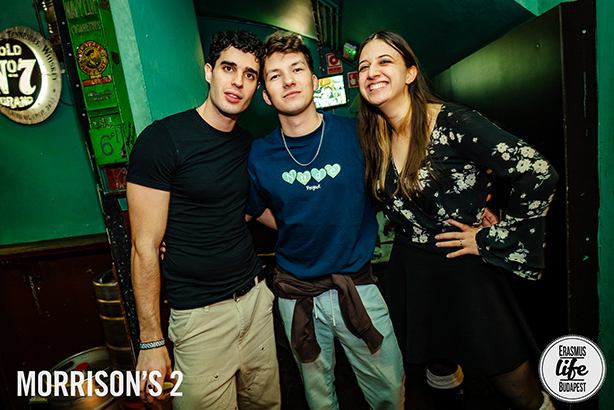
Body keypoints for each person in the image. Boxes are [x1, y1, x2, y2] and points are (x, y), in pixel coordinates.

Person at [356, 30, 558, 410]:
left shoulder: (451, 121)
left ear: (410, 73)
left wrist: (491, 236)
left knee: (514, 383)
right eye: (364, 66)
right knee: (437, 364)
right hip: (411, 269)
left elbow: (537, 172)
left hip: (464, 268)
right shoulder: (375, 134)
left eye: (385, 61)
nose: (372, 72)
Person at [246, 31, 405, 409]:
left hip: (358, 286)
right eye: (275, 75)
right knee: (319, 398)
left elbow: (403, 175)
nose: (288, 80)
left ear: (315, 81)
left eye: (297, 69)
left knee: (391, 390)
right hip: (297, 293)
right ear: (266, 95)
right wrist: (291, 224)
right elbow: (251, 209)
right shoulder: (260, 154)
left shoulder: (358, 134)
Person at [126, 30, 280, 409]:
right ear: (209, 72)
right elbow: (144, 246)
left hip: (256, 303)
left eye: (249, 74)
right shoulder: (162, 140)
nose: (238, 82)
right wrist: (151, 341)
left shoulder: (248, 145)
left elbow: (251, 207)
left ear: (256, 86)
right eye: (229, 68)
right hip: (199, 319)